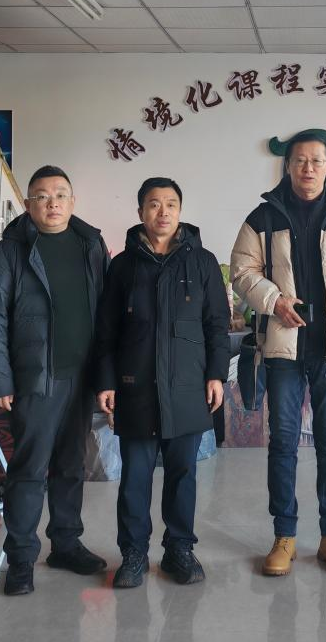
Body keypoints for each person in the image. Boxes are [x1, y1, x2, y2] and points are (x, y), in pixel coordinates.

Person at [230, 129, 326, 578]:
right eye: (300, 160)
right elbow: (241, 271)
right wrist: (275, 301)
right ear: (287, 166)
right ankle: (284, 535)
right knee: (284, 441)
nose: (308, 168)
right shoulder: (264, 215)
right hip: (284, 348)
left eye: (316, 160)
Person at [0, 165, 111, 596]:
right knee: (29, 469)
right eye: (42, 195)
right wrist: (0, 381)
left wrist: (107, 375)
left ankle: (66, 544)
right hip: (35, 378)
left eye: (60, 195)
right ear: (28, 203)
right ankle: (20, 558)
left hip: (82, 376)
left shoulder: (91, 244)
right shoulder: (9, 252)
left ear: (72, 201)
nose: (52, 203)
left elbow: (106, 313)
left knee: (72, 464)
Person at [95, 177, 229, 588]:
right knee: (135, 476)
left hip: (188, 385)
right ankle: (134, 554)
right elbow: (106, 331)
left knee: (183, 474)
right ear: (140, 212)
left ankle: (179, 550)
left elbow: (217, 324)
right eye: (154, 204)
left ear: (180, 211)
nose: (163, 211)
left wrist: (216, 374)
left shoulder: (203, 262)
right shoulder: (123, 266)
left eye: (171, 203)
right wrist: (106, 381)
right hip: (135, 386)